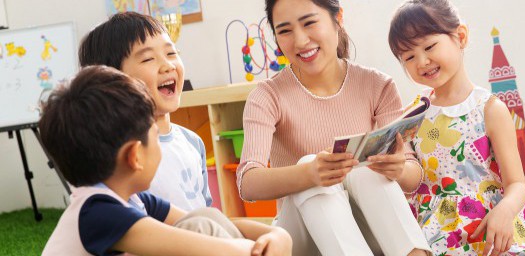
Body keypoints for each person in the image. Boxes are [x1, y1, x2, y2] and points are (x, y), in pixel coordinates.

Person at [237, 0, 432, 255]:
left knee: (366, 168)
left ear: (337, 18)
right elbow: (247, 183)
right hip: (301, 240)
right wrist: (310, 173)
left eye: (309, 23)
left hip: (369, 235)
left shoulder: (377, 85)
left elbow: (413, 176)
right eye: (285, 30)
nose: (300, 40)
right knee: (313, 167)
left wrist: (398, 168)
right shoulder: (267, 96)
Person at [40, 66, 291, 256]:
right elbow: (204, 248)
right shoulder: (98, 212)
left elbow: (212, 222)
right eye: (155, 134)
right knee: (201, 229)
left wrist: (275, 234)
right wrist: (259, 250)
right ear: (135, 156)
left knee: (203, 219)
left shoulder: (130, 199)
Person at [388, 0, 525, 255]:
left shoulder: (489, 109)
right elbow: (412, 179)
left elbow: (517, 184)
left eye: (429, 46)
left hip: (488, 225)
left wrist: (505, 211)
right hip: (434, 231)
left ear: (460, 37)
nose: (422, 61)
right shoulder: (413, 114)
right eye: (409, 57)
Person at [78, 12, 210, 211]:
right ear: (113, 80)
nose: (167, 65)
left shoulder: (192, 142)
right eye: (148, 59)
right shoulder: (120, 156)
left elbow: (206, 209)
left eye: (171, 53)